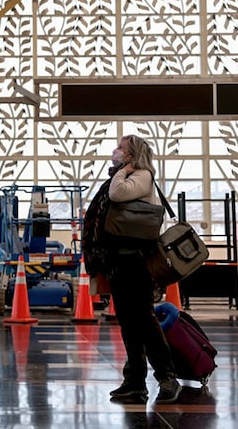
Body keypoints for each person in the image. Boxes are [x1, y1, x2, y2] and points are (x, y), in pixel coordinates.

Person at [82, 134, 181, 404]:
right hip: (118, 262)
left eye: (120, 148)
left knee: (145, 321)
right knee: (128, 323)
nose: (115, 151)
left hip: (136, 261)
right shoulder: (126, 175)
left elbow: (118, 194)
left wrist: (124, 171)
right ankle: (135, 381)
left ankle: (167, 376)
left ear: (131, 155)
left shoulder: (142, 176)